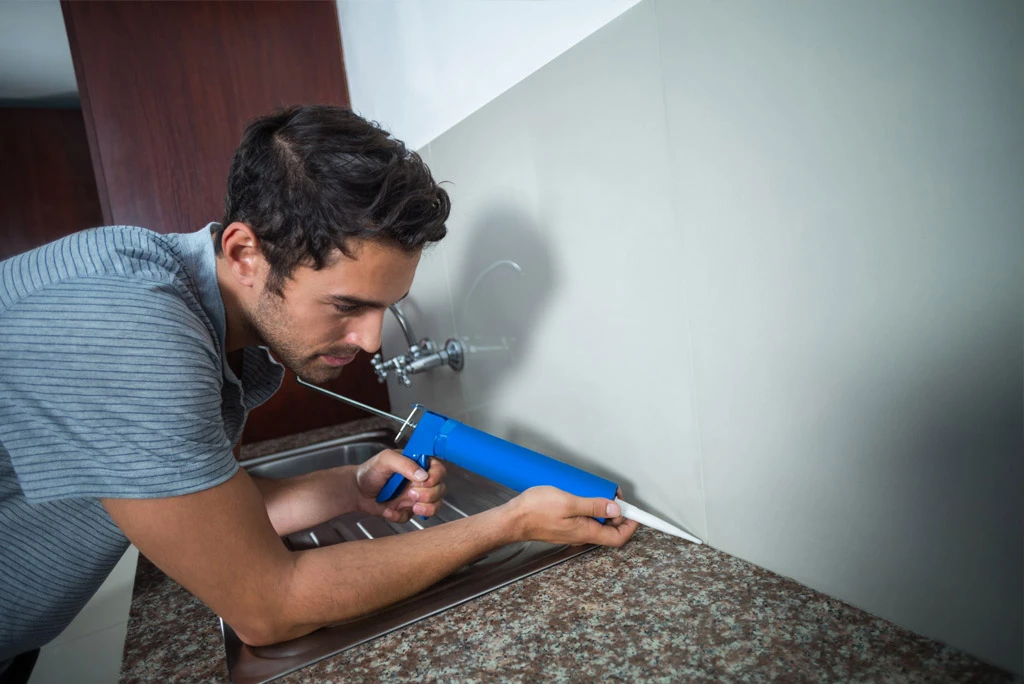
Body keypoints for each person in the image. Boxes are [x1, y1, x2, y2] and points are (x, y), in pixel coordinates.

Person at [0, 105, 638, 676]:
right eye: (346, 304)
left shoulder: (192, 311)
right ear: (245, 251)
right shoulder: (131, 330)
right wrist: (510, 521)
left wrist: (348, 487)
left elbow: (215, 515)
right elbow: (267, 607)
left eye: (385, 307)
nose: (368, 340)